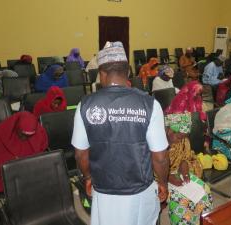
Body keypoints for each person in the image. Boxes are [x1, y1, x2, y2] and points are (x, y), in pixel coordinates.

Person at [72, 41, 169, 225]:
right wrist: (163, 183)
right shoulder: (150, 104)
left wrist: (88, 177)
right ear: (128, 72)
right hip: (140, 191)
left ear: (101, 73)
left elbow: (80, 153)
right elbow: (160, 157)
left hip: (103, 189)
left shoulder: (85, 105)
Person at [165, 113, 213, 225]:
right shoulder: (156, 143)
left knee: (204, 191)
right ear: (169, 131)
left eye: (184, 137)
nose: (181, 140)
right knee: (181, 200)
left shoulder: (183, 140)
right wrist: (168, 177)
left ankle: (197, 221)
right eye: (179, 137)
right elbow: (149, 167)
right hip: (159, 177)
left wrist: (185, 168)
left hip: (178, 172)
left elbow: (186, 157)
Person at [0, 111, 48, 193]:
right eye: (22, 134)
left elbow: (40, 157)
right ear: (16, 126)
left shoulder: (39, 133)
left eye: (28, 136)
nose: (24, 138)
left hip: (28, 177)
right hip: (4, 180)